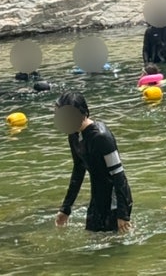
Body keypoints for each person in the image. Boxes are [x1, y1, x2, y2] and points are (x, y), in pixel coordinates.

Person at [54, 90, 133, 233]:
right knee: (92, 237)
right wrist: (66, 209)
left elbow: (119, 175)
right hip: (97, 195)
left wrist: (123, 214)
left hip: (114, 199)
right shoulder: (73, 135)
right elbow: (78, 170)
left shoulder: (102, 137)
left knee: (112, 245)